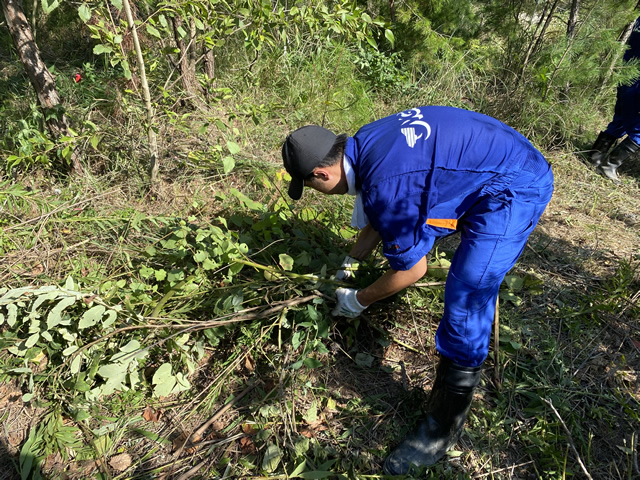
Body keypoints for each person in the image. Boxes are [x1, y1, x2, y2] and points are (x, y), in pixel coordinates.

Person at [281, 106, 554, 475]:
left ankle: (441, 428)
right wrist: (352, 258)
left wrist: (359, 299)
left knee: (468, 292)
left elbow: (413, 270)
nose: (318, 192)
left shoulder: (384, 185)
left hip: (515, 185)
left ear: (321, 173)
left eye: (311, 186)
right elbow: (393, 200)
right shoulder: (368, 141)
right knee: (417, 222)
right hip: (496, 157)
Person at [588, 16, 640, 182]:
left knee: (620, 119)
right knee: (638, 129)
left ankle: (595, 156)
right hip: (636, 82)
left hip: (627, 74)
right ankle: (608, 166)